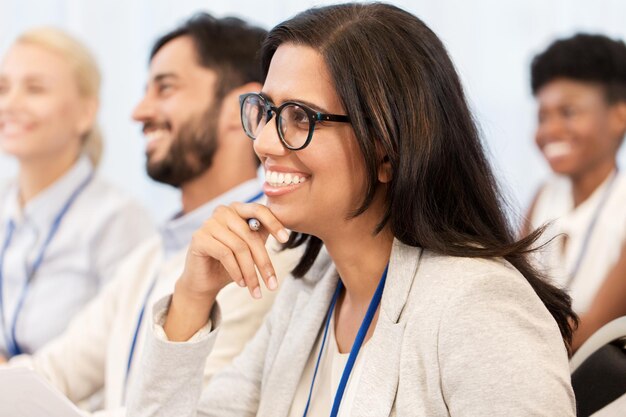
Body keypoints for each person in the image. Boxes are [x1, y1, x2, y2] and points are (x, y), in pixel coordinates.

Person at [128, 3, 577, 416]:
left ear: (387, 151)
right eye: (265, 110)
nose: (263, 142)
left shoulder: (478, 306)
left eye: (301, 117)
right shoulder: (310, 295)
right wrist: (192, 298)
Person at [3, 14, 298, 416]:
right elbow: (49, 374)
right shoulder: (149, 257)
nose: (139, 112)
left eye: (165, 88)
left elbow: (193, 408)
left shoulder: (273, 248)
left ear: (240, 108)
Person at [0, 28, 154, 359]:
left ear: (86, 113)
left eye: (35, 89)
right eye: (3, 88)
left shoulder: (117, 219)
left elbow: (122, 353)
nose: (10, 103)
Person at [524, 34, 626, 351]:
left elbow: (590, 332)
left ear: (619, 116)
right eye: (543, 116)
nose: (549, 131)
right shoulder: (544, 196)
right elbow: (509, 291)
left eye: (568, 112)